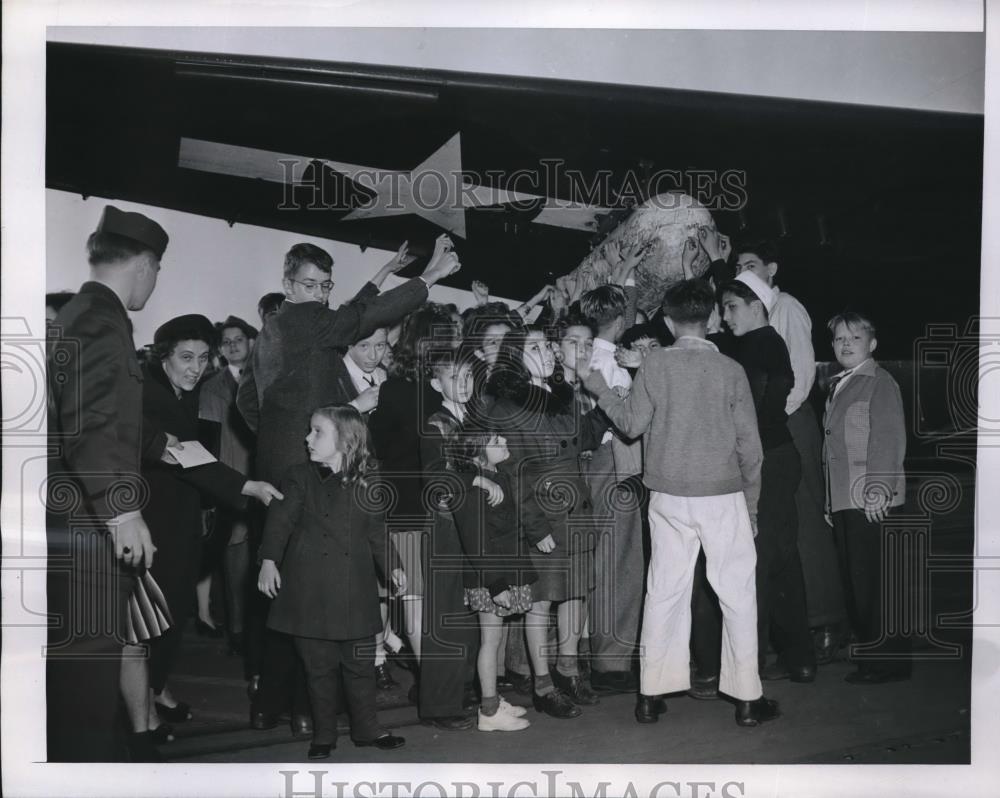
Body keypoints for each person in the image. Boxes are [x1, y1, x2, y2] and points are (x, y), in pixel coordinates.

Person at [238, 236, 459, 733]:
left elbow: (248, 403)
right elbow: (351, 321)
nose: (318, 294)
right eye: (309, 285)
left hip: (286, 468)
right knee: (308, 598)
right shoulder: (305, 320)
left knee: (284, 595)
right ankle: (302, 709)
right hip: (308, 474)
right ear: (287, 285)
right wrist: (429, 277)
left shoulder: (278, 327)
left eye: (325, 286)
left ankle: (271, 702)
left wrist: (380, 273)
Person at [579, 279, 779, 727]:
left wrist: (599, 387)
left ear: (668, 322)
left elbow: (630, 424)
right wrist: (752, 505)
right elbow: (751, 446)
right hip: (721, 495)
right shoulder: (731, 369)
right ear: (710, 320)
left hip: (667, 496)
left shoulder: (654, 366)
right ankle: (748, 699)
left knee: (664, 592)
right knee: (737, 594)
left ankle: (649, 694)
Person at [46, 204, 166, 761]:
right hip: (90, 524)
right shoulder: (100, 318)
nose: (153, 281)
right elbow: (90, 423)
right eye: (157, 270)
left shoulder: (78, 311)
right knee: (89, 669)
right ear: (144, 264)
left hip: (73, 515)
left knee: (82, 663)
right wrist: (121, 509)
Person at [140, 314, 283, 727]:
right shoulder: (149, 395)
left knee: (174, 609)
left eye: (203, 358)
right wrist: (247, 486)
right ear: (162, 356)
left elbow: (194, 456)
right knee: (156, 615)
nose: (195, 367)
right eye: (186, 357)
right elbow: (186, 458)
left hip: (181, 515)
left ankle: (156, 688)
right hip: (150, 521)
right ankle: (145, 704)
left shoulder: (188, 391)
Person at [257, 405, 407, 759]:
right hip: (308, 590)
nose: (307, 438)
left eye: (317, 432)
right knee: (318, 669)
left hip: (353, 589)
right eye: (310, 431)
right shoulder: (298, 477)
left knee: (360, 666)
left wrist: (394, 566)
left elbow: (376, 532)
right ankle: (323, 735)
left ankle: (367, 730)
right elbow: (280, 522)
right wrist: (267, 561)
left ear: (346, 440)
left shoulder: (369, 480)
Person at [731, 239, 846, 664]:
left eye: (752, 264)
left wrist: (768, 423)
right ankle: (800, 630)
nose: (743, 271)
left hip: (788, 422)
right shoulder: (752, 316)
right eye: (738, 266)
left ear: (772, 268)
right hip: (774, 424)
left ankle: (827, 624)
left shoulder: (786, 308)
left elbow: (796, 378)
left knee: (805, 527)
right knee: (783, 535)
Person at [486, 326, 607, 719]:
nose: (547, 353)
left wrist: (604, 402)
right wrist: (535, 529)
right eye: (533, 348)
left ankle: (569, 670)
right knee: (540, 603)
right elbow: (513, 474)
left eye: (546, 346)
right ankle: (543, 685)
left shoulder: (564, 396)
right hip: (542, 515)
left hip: (577, 511)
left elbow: (585, 438)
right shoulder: (505, 407)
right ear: (515, 358)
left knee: (575, 595)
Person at [822, 311, 910, 684]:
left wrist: (879, 489)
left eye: (854, 338)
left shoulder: (879, 382)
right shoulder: (840, 383)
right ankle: (876, 659)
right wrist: (829, 501)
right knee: (859, 585)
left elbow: (888, 439)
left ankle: (886, 664)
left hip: (869, 498)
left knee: (874, 587)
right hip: (846, 499)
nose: (845, 344)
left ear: (872, 344)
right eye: (839, 338)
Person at [578, 285, 645, 694]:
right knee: (618, 563)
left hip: (584, 466)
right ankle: (612, 663)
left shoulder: (582, 354)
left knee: (594, 560)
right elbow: (629, 421)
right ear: (621, 322)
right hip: (613, 462)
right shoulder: (616, 366)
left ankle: (593, 653)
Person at [449, 425, 536, 732]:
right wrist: (496, 584)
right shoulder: (475, 488)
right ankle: (487, 711)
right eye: (496, 441)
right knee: (490, 641)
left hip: (499, 570)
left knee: (494, 639)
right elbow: (476, 540)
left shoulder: (496, 478)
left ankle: (493, 700)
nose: (504, 442)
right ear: (477, 452)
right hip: (489, 576)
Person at [199, 315, 260, 656]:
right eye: (226, 342)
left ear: (251, 342)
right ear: (220, 351)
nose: (233, 345)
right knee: (235, 560)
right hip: (233, 481)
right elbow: (210, 445)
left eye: (239, 339)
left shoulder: (266, 377)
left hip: (266, 476)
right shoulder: (212, 388)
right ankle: (237, 630)